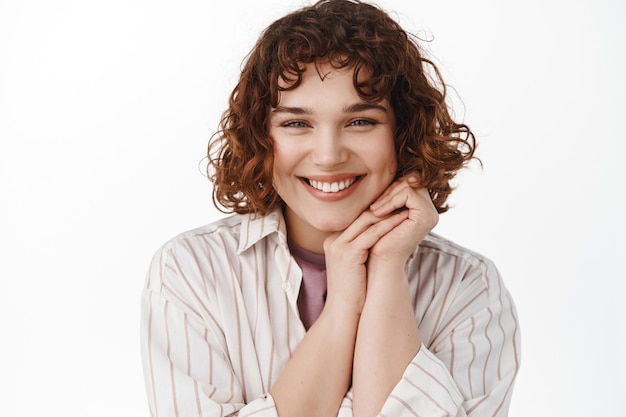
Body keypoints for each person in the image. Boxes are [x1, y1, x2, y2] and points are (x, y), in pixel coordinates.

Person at [140, 1, 520, 416]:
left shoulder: (467, 288)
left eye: (360, 122)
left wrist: (387, 267)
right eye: (295, 123)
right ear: (260, 137)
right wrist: (342, 308)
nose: (327, 155)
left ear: (404, 132)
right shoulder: (192, 272)